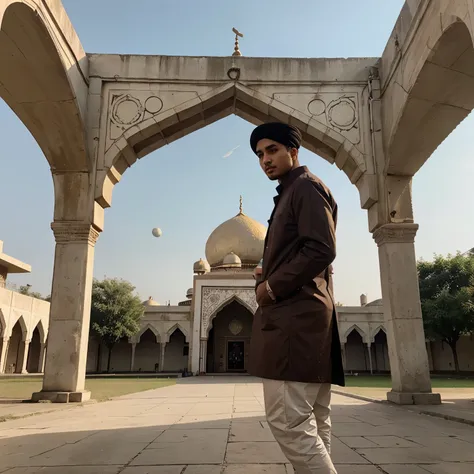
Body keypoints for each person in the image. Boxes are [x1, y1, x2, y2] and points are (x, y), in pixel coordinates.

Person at [248, 122, 345, 474]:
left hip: (294, 319)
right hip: (306, 319)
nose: (265, 159)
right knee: (314, 423)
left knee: (289, 423)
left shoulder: (304, 187)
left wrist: (271, 288)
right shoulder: (294, 191)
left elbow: (321, 247)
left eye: (272, 150)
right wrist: (266, 273)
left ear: (293, 151)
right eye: (260, 154)